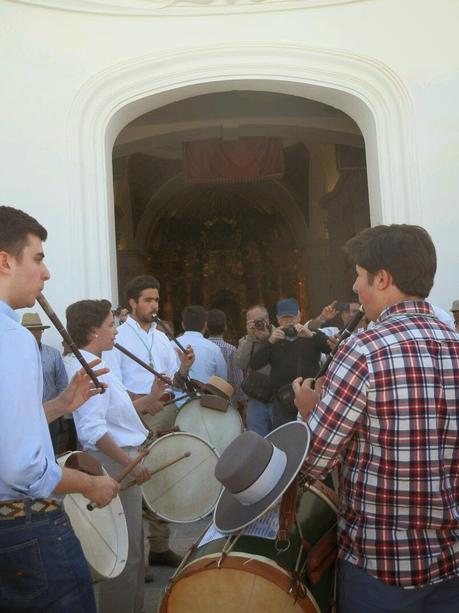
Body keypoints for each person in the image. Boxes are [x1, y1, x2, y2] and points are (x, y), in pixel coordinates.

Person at [293, 224, 459, 612]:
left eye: (358, 275)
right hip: (452, 559)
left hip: (380, 568)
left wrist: (309, 410)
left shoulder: (363, 350)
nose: (354, 287)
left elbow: (315, 460)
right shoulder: (456, 344)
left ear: (381, 278)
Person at [0, 205, 119, 612]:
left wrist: (59, 406)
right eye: (37, 258)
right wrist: (91, 485)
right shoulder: (12, 338)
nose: (46, 273)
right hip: (25, 531)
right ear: (4, 261)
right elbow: (23, 470)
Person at [65, 298, 168, 613]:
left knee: (133, 550)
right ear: (93, 330)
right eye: (111, 325)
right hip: (113, 462)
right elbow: (92, 430)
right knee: (123, 553)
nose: (116, 332)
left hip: (120, 457)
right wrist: (129, 465)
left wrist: (148, 399)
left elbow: (112, 413)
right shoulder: (89, 366)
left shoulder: (95, 362)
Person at [106, 275, 194, 569]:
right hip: (136, 414)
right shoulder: (117, 337)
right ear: (132, 303)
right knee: (137, 480)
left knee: (161, 476)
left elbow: (175, 383)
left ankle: (159, 546)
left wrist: (183, 368)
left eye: (156, 299)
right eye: (147, 300)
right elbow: (113, 385)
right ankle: (136, 558)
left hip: (165, 412)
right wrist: (144, 400)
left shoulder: (161, 337)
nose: (154, 305)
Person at [250, 297, 330, 428]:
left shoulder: (312, 334)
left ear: (299, 316)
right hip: (283, 402)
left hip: (309, 397)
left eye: (292, 317)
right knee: (284, 441)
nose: (289, 321)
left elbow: (331, 350)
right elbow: (254, 364)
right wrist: (270, 342)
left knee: (313, 438)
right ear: (277, 319)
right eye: (284, 318)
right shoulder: (273, 340)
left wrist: (311, 336)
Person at [21, 311, 69, 452]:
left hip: (51, 412)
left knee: (51, 450)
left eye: (38, 329)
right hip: (26, 413)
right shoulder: (15, 354)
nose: (35, 333)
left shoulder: (53, 354)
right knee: (29, 452)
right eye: (31, 329)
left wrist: (61, 410)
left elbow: (62, 383)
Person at [234, 304, 274, 435]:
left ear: (268, 320)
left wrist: (268, 339)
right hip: (256, 398)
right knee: (257, 440)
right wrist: (251, 338)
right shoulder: (246, 341)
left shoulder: (280, 335)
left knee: (280, 438)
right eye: (253, 321)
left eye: (260, 320)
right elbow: (240, 363)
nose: (258, 323)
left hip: (277, 398)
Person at [179, 305, 227, 384]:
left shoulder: (169, 345)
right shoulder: (214, 349)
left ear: (183, 325)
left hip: (175, 396)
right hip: (205, 395)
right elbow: (222, 381)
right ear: (205, 325)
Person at [206, 308, 244, 406]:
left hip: (204, 400)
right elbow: (238, 379)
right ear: (225, 327)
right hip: (227, 402)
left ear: (206, 326)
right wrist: (242, 399)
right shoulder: (231, 350)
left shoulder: (201, 347)